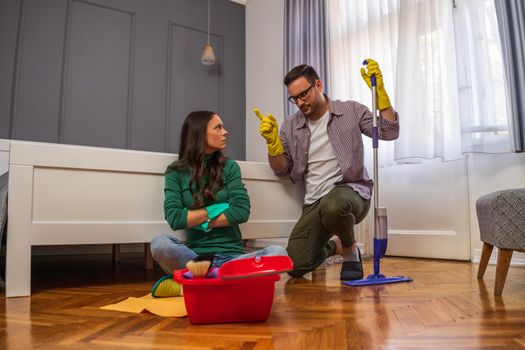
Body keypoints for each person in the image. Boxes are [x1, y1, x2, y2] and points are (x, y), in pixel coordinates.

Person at [254, 59, 399, 280]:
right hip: (314, 201)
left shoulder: (350, 110)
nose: (300, 102)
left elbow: (389, 132)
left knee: (334, 205)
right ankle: (336, 246)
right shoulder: (290, 126)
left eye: (304, 94)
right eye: (295, 98)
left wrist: (382, 97)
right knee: (295, 265)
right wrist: (273, 145)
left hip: (351, 192)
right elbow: (281, 170)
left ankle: (350, 250)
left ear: (318, 85)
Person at [150, 111, 287, 296]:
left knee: (278, 252)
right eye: (218, 127)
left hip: (233, 258)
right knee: (159, 243)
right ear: (199, 134)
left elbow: (241, 211)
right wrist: (218, 210)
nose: (225, 132)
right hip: (195, 259)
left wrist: (196, 219)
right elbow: (175, 218)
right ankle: (225, 282)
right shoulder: (175, 172)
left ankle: (196, 283)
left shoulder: (229, 167)